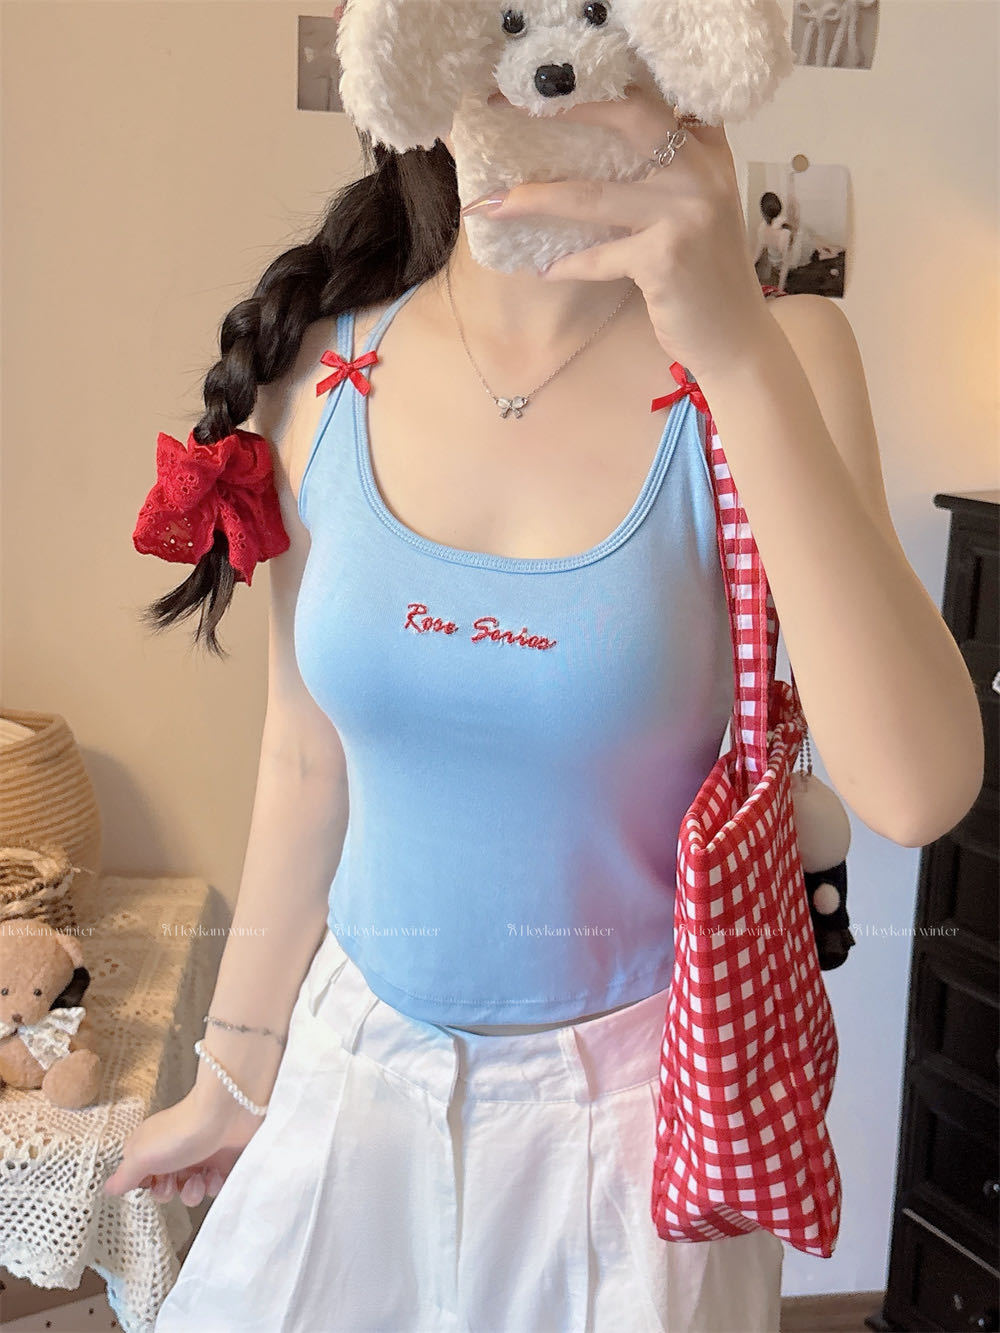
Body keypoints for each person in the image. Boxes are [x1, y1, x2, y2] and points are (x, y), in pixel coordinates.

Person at [107, 66, 983, 1333]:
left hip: (637, 1133)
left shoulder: (776, 352)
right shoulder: (324, 371)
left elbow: (916, 790)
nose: (556, 61)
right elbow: (305, 759)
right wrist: (233, 1080)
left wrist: (730, 342)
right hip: (353, 1082)